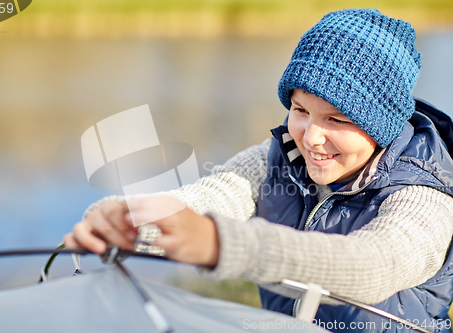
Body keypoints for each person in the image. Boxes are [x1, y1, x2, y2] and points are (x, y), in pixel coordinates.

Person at [64, 8, 453, 333]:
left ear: (380, 127)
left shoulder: (424, 193)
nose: (312, 137)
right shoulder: (280, 156)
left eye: (336, 119)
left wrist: (222, 245)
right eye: (300, 110)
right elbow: (211, 197)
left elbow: (374, 264)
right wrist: (126, 220)